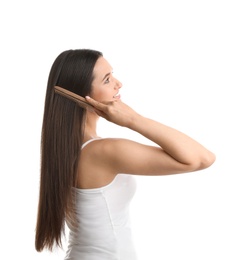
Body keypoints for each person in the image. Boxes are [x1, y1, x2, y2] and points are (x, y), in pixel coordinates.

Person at [35, 49, 215, 260]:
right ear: (82, 96)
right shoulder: (103, 152)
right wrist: (133, 119)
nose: (118, 83)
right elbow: (201, 158)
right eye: (107, 80)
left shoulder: (68, 148)